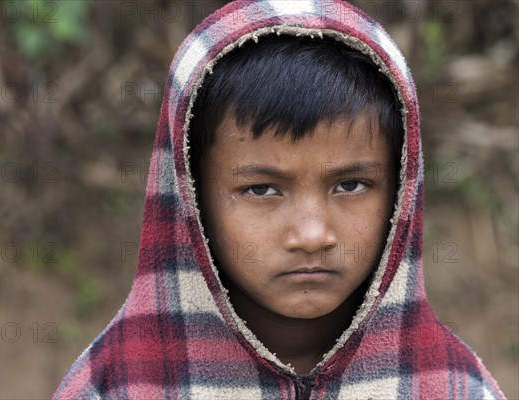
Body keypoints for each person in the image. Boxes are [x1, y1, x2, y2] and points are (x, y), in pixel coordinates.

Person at [53, 1, 505, 399]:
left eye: (350, 185)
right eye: (261, 189)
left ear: (400, 193)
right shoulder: (113, 387)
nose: (312, 235)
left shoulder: (451, 386)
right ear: (191, 199)